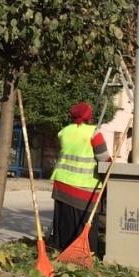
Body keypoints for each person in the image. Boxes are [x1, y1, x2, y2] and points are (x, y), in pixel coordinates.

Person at [49, 101, 111, 253]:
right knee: (83, 225)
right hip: (84, 189)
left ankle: (62, 251)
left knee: (65, 223)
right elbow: (104, 159)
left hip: (62, 186)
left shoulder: (64, 132)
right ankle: (82, 254)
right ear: (89, 116)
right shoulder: (94, 133)